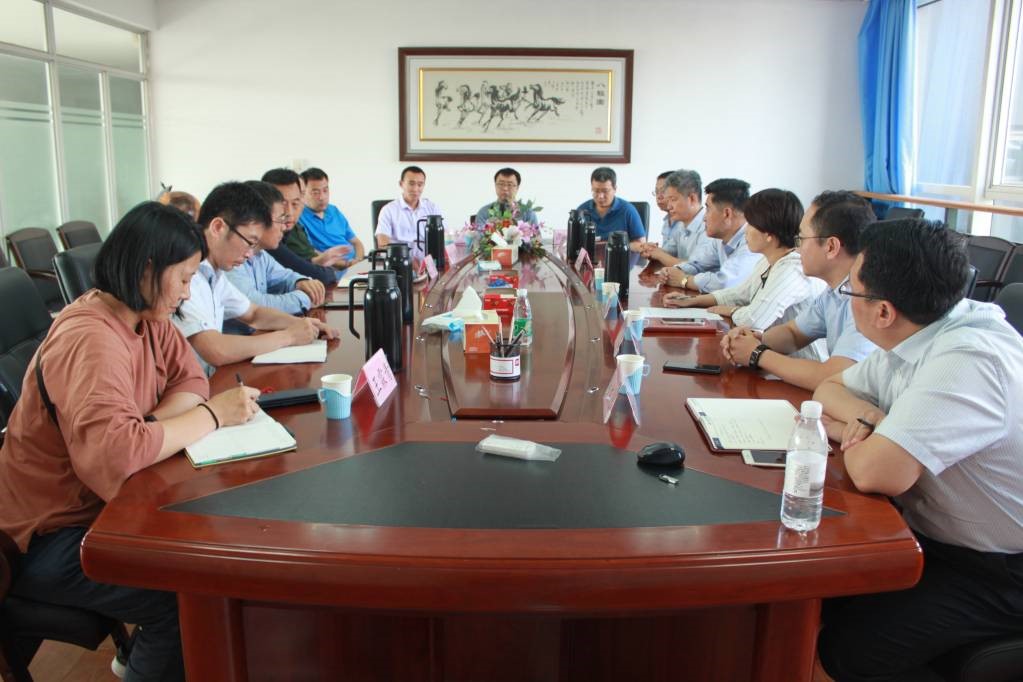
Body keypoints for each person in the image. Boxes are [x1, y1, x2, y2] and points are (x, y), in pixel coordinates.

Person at [0, 201, 262, 682]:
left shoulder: (148, 315)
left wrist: (150, 428)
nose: (187, 293)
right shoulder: (91, 339)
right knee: (183, 598)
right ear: (146, 269)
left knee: (205, 555)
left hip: (104, 503)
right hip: (46, 537)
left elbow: (192, 379)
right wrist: (209, 417)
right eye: (183, 278)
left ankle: (145, 659)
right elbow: (120, 456)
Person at [813, 219, 1023, 681]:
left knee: (835, 649)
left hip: (999, 572)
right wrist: (870, 420)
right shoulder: (919, 331)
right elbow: (827, 388)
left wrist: (857, 432)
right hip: (936, 537)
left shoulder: (969, 358)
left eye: (851, 292)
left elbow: (876, 473)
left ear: (883, 311)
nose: (848, 301)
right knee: (812, 596)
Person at [173, 182, 338, 374]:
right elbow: (215, 349)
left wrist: (301, 325)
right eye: (249, 242)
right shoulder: (187, 276)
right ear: (218, 227)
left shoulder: (214, 274)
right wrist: (289, 337)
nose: (250, 254)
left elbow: (253, 313)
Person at [721, 191, 878, 389]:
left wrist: (757, 354)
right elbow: (794, 334)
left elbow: (834, 376)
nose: (797, 249)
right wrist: (753, 340)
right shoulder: (834, 292)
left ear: (831, 247)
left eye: (801, 239)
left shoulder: (867, 297)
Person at [663, 189, 827, 359]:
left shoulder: (792, 269)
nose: (745, 230)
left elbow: (754, 320)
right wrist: (693, 301)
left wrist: (730, 310)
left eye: (750, 224)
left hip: (800, 366)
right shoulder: (768, 260)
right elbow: (740, 293)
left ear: (768, 234)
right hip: (771, 358)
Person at [225, 181, 326, 314]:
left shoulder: (261, 255)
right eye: (280, 220)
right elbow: (256, 306)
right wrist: (305, 298)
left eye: (295, 203)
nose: (284, 227)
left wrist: (301, 282)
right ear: (256, 221)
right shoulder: (230, 258)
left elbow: (286, 277)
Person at [658, 178, 760, 293]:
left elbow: (725, 282)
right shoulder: (720, 239)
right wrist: (673, 271)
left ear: (727, 214)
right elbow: (697, 264)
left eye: (708, 209)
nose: (704, 218)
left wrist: (684, 280)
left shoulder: (753, 242)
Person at [262, 167, 346, 286]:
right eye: (282, 204)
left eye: (295, 203)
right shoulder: (268, 239)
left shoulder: (287, 232)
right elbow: (319, 276)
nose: (289, 212)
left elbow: (297, 265)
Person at [293, 167, 365, 268]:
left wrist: (358, 261)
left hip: (354, 265)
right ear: (303, 193)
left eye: (325, 190)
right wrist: (346, 265)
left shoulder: (333, 210)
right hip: (332, 268)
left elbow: (356, 242)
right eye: (315, 192)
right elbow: (311, 252)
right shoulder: (298, 217)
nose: (322, 197)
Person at [639, 169, 708, 265]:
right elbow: (668, 252)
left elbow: (696, 267)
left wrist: (659, 255)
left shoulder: (708, 227)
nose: (669, 206)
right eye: (668, 200)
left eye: (673, 199)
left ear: (692, 199)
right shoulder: (681, 225)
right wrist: (651, 250)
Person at [375, 165, 444, 261]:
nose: (415, 189)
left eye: (420, 184)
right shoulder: (388, 210)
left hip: (430, 262)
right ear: (401, 184)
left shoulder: (432, 208)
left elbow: (443, 239)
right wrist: (407, 260)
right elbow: (383, 245)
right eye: (411, 184)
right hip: (400, 262)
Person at [576, 166, 646, 248]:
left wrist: (618, 246)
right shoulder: (582, 210)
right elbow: (574, 241)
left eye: (605, 191)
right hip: (589, 255)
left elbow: (641, 244)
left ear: (615, 189)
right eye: (596, 191)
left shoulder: (628, 210)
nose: (600, 196)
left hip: (619, 254)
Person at [475, 167, 539, 227]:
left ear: (517, 188)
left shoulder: (528, 213)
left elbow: (535, 235)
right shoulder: (484, 212)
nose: (505, 188)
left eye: (510, 185)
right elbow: (479, 234)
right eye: (501, 184)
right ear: (495, 186)